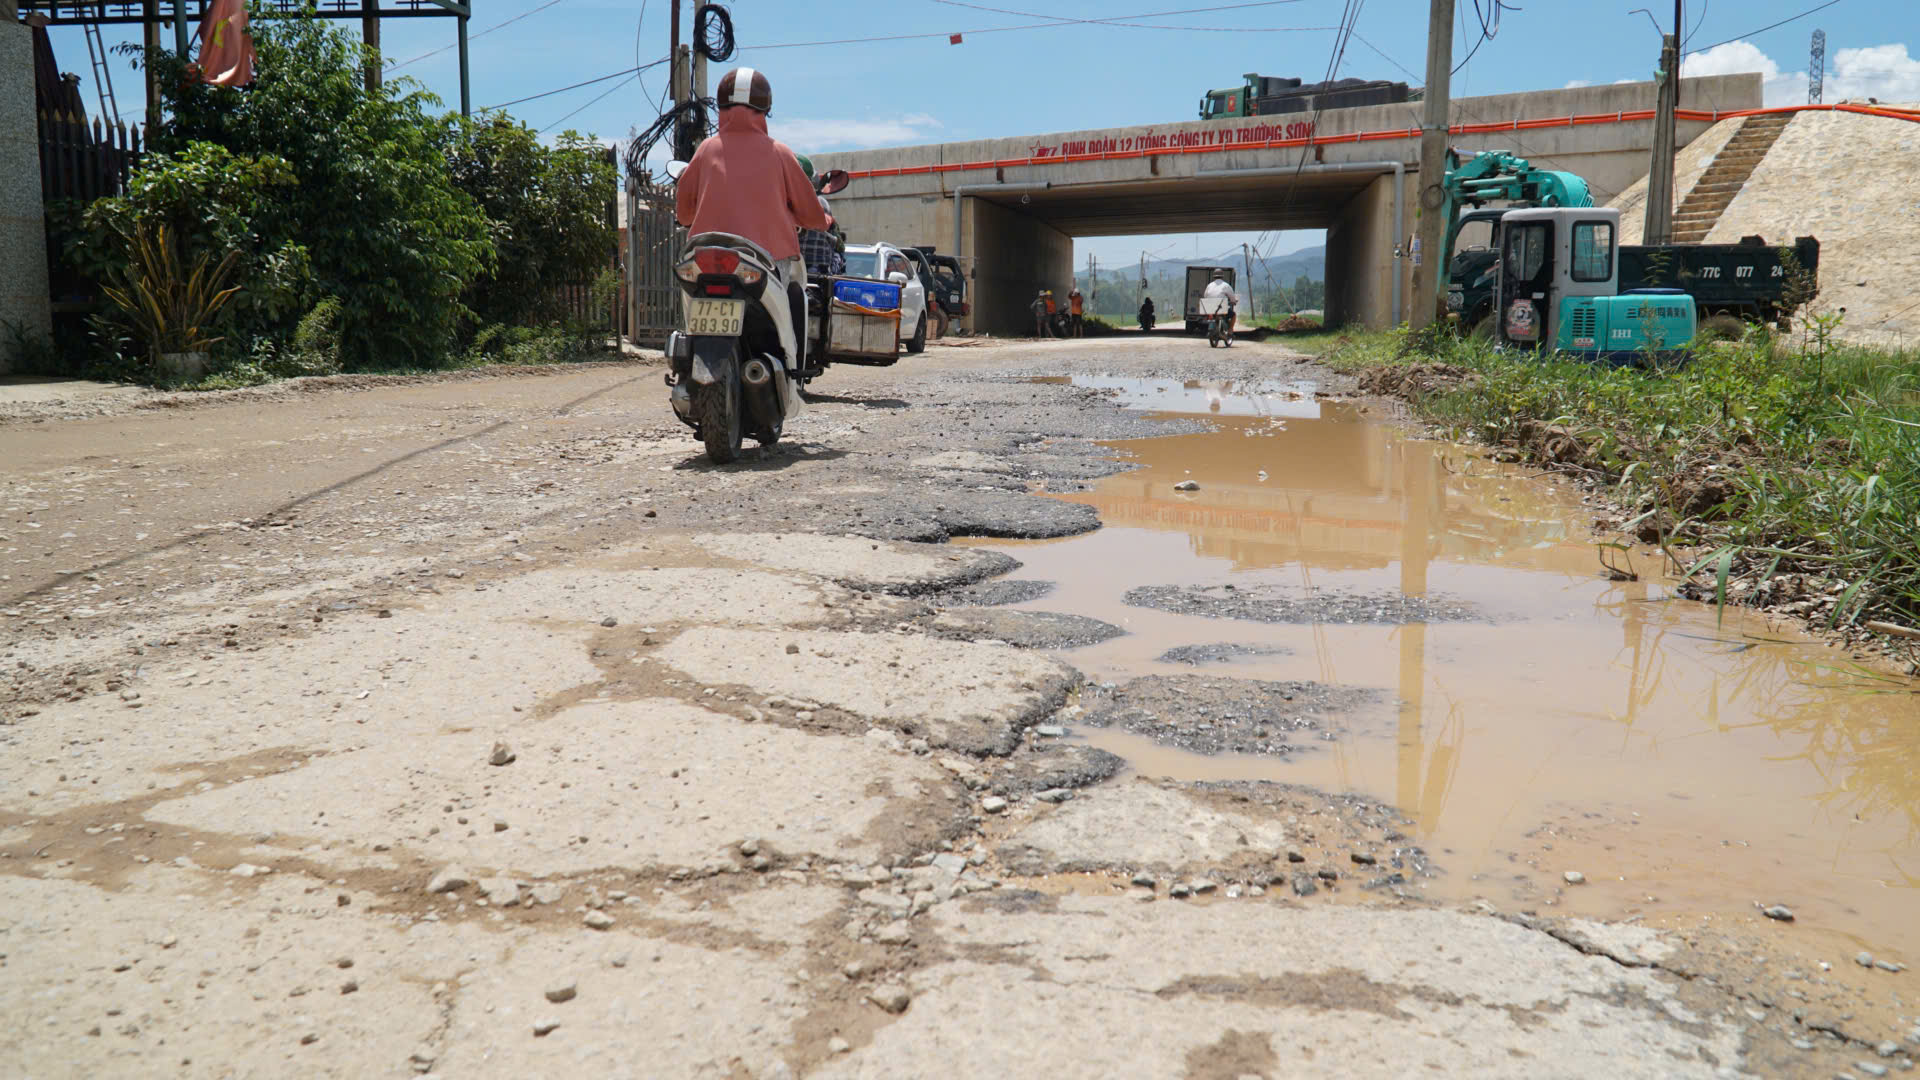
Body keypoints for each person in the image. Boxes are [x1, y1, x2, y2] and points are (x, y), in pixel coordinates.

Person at [674, 67, 829, 373]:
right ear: (765, 110)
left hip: (705, 259)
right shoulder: (779, 153)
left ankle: (685, 367)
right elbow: (811, 216)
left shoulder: (705, 150)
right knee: (797, 299)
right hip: (765, 263)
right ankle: (793, 371)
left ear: (721, 107)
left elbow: (684, 213)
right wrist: (818, 218)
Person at [794, 154, 844, 278]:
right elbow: (839, 245)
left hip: (779, 272)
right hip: (816, 274)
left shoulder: (774, 204)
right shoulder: (821, 203)